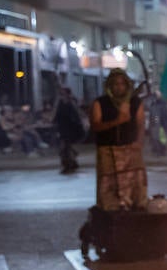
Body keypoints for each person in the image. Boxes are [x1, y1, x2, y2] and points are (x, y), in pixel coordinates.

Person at [90, 68, 148, 210]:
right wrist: (118, 121)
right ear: (109, 86)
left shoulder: (135, 102)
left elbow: (140, 125)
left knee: (135, 182)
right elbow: (96, 125)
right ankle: (111, 210)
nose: (119, 87)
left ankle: (135, 206)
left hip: (131, 148)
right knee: (109, 184)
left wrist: (139, 143)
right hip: (107, 150)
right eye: (115, 84)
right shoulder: (100, 103)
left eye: (122, 84)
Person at [53, 86, 85, 174]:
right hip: (62, 127)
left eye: (63, 93)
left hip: (71, 127)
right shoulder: (60, 103)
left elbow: (76, 115)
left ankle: (68, 164)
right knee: (65, 147)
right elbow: (56, 115)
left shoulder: (71, 102)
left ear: (67, 94)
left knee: (65, 147)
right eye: (61, 93)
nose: (61, 95)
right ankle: (71, 162)